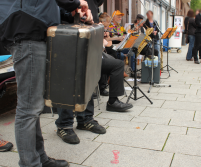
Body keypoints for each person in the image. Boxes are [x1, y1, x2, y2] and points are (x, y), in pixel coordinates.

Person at [0, 0, 93, 166]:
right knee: (29, 108)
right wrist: (76, 3)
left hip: (34, 29)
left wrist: (69, 13)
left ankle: (39, 158)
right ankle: (30, 163)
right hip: (28, 30)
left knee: (33, 106)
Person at [56, 2, 133, 145]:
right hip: (65, 37)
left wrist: (92, 22)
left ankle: (85, 119)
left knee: (89, 77)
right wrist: (76, 10)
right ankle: (64, 124)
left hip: (87, 43)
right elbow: (58, 11)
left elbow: (91, 23)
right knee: (67, 80)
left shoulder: (93, 3)